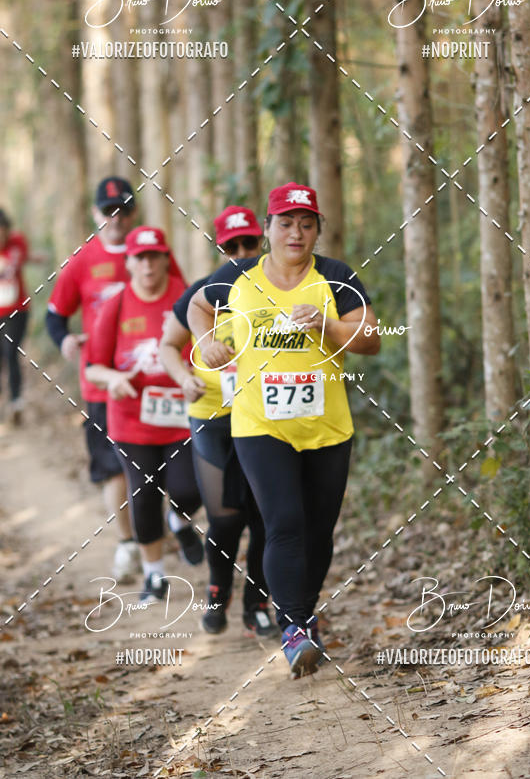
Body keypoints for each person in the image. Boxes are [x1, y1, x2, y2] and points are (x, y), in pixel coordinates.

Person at [187, 183, 380, 677]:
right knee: (284, 524)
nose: (297, 232)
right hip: (258, 426)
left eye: (307, 223)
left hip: (328, 428)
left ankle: (304, 612)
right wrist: (207, 341)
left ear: (318, 230)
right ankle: (293, 626)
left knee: (319, 531)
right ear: (268, 228)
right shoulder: (238, 276)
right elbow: (195, 305)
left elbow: (371, 339)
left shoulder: (336, 278)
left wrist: (329, 327)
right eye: (286, 222)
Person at [45, 177, 188, 583]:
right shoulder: (83, 260)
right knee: (114, 469)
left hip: (161, 383)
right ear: (95, 214)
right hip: (105, 381)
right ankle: (130, 542)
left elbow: (183, 301)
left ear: (134, 213)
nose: (117, 217)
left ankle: (167, 526)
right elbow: (55, 314)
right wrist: (65, 341)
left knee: (168, 467)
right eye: (109, 210)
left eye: (124, 209)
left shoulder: (155, 252)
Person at [160, 205, 276, 638]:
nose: (242, 251)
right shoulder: (201, 292)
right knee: (225, 517)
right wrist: (182, 377)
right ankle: (217, 590)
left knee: (266, 516)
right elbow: (168, 346)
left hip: (266, 417)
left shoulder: (274, 291)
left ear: (261, 242)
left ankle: (256, 604)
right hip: (213, 416)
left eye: (250, 243)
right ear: (219, 247)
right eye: (232, 246)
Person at [85, 226, 204, 602]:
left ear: (167, 258)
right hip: (132, 420)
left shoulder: (187, 299)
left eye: (155, 256)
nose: (148, 264)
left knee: (189, 488)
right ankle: (154, 576)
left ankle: (180, 520)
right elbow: (93, 367)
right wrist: (114, 378)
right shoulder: (115, 305)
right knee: (144, 496)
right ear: (129, 262)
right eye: (140, 257)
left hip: (183, 415)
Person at [0, 209, 31, 425]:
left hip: (17, 310)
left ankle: (16, 402)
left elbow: (24, 258)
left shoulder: (18, 242)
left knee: (11, 354)